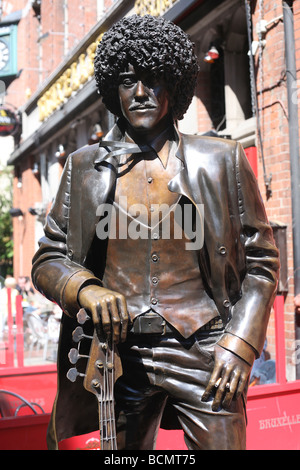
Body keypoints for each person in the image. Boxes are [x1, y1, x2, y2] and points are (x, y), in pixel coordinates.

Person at [31, 15, 279, 450]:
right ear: (113, 89)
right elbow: (48, 258)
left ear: (176, 85)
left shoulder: (220, 160)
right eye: (128, 81)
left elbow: (262, 262)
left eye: (154, 80)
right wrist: (85, 290)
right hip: (114, 357)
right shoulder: (84, 167)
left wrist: (240, 343)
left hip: (205, 352)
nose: (141, 93)